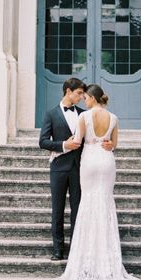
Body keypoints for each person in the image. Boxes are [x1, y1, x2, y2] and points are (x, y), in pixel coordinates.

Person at [52, 84, 140, 280]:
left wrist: (58, 148)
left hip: (90, 161)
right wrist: (107, 144)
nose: (85, 101)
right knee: (105, 204)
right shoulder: (113, 117)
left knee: (88, 203)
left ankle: (87, 256)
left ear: (91, 98)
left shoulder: (84, 116)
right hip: (107, 160)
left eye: (86, 97)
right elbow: (115, 144)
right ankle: (107, 256)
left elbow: (77, 142)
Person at [39, 77, 87, 261]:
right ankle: (58, 249)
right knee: (57, 209)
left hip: (78, 168)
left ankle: (75, 249)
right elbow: (43, 142)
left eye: (83, 94)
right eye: (79, 93)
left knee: (77, 209)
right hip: (59, 167)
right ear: (68, 91)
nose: (82, 97)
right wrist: (64, 145)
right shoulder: (51, 114)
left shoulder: (83, 114)